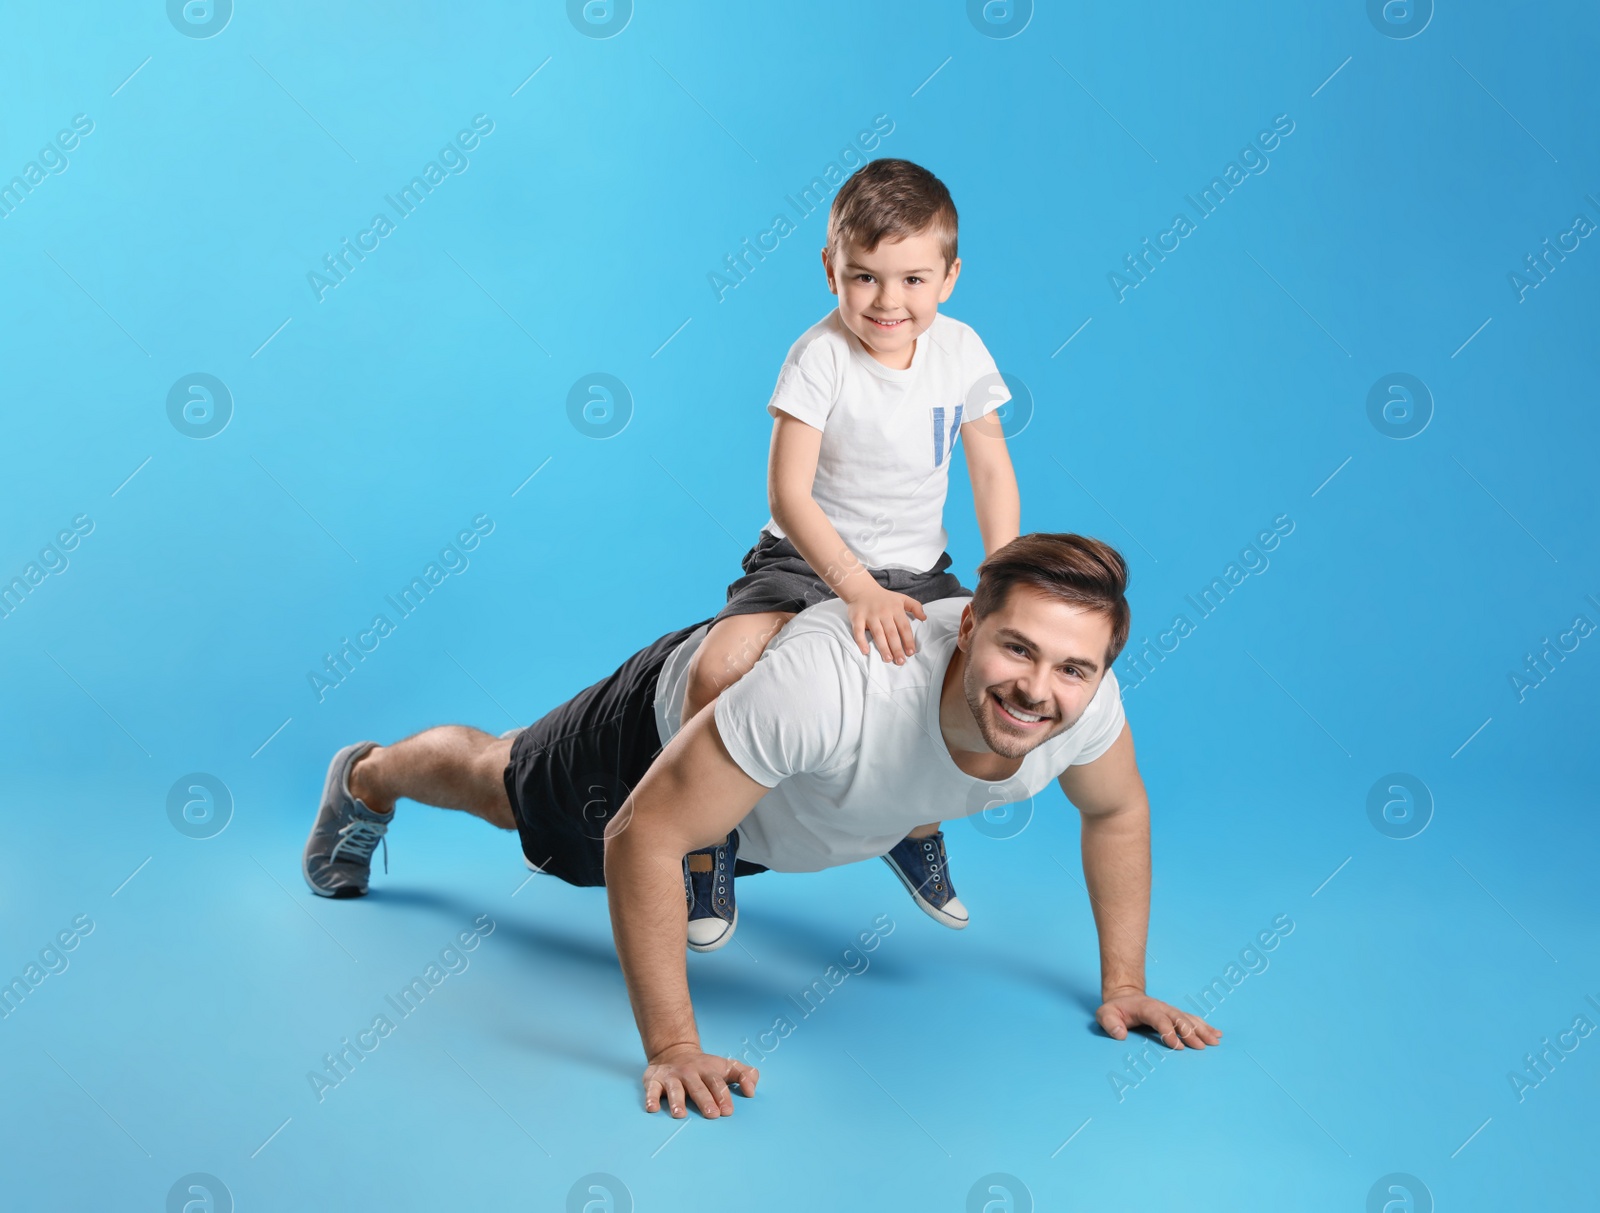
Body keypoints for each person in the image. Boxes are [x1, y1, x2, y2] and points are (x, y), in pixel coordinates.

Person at [301, 533, 1223, 1121]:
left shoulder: (1084, 705)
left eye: (1073, 667)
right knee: (500, 781)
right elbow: (644, 836)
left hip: (800, 798)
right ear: (969, 624)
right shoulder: (834, 687)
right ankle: (369, 775)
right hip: (663, 738)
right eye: (1017, 647)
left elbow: (1116, 809)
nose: (1040, 687)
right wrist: (674, 1048)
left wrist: (1128, 983)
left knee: (885, 776)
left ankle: (897, 815)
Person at [675, 157, 1023, 951]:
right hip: (809, 558)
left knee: (955, 681)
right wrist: (854, 587)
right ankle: (705, 839)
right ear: (831, 268)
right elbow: (788, 496)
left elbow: (993, 467)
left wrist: (1003, 575)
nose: (888, 301)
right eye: (864, 278)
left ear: (949, 277)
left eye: (911, 280)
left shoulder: (961, 350)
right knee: (720, 666)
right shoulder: (819, 356)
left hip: (919, 564)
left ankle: (915, 826)